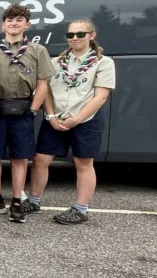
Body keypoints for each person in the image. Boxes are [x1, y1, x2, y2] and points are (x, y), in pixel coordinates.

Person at [29, 20, 116, 225]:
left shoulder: (103, 63)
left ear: (92, 35)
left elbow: (100, 97)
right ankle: (33, 201)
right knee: (40, 159)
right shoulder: (56, 62)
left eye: (80, 34)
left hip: (86, 120)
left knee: (83, 163)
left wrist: (76, 119)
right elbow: (46, 90)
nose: (75, 38)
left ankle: (80, 208)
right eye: (70, 35)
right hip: (56, 118)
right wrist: (50, 116)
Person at [0, 5, 55, 223]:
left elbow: (43, 84)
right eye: (10, 20)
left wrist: (33, 110)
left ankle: (16, 202)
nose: (14, 23)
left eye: (19, 20)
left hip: (23, 108)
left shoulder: (37, 50)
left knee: (19, 157)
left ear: (27, 24)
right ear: (3, 25)